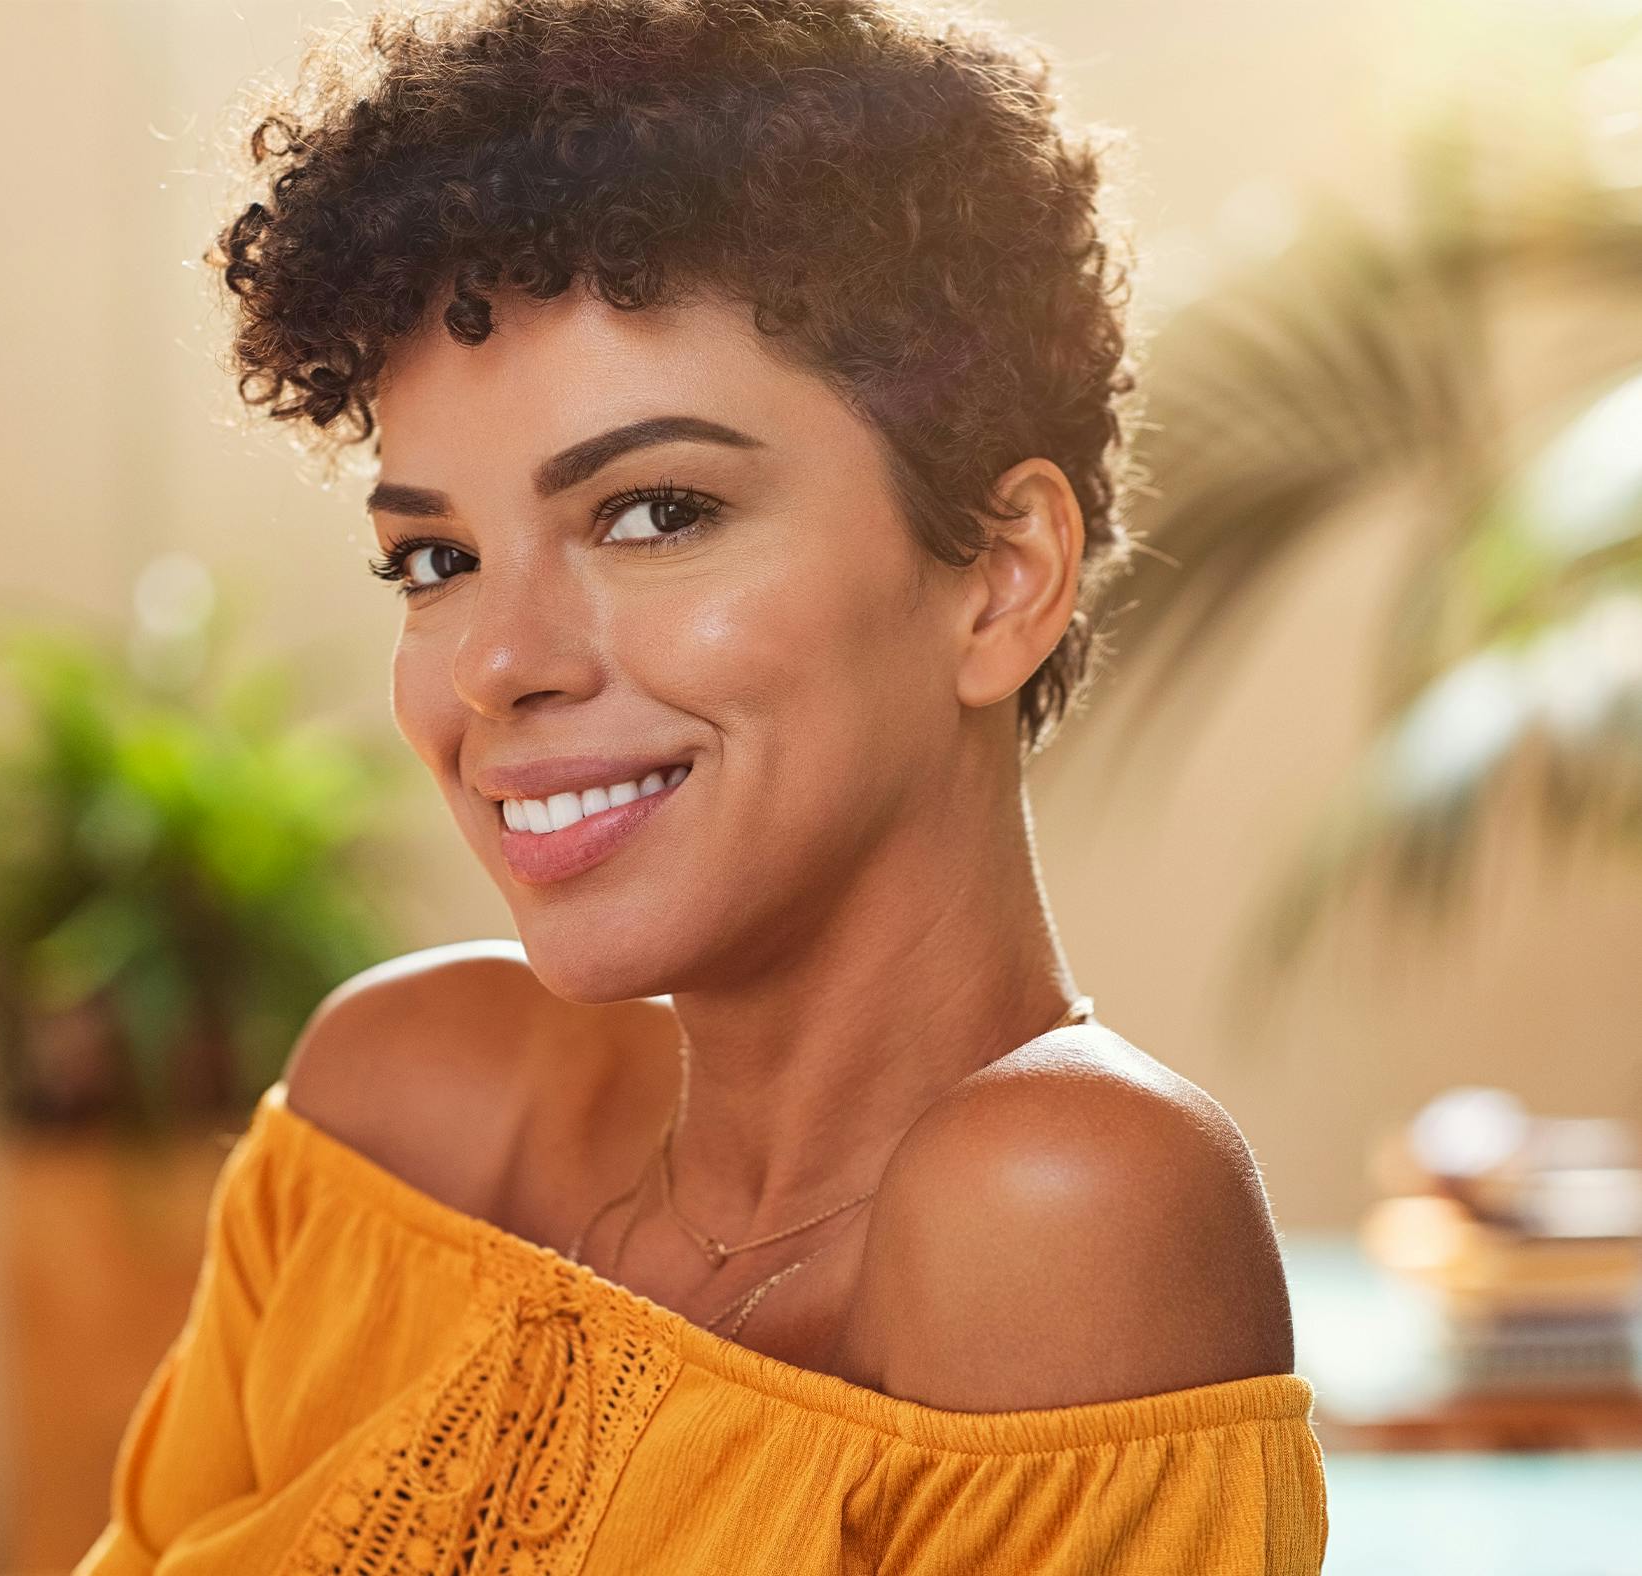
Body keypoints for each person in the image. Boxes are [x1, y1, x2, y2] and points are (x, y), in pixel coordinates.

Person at [75, 0, 1328, 1570]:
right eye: (436, 559)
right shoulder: (392, 1116)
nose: (494, 664)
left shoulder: (1060, 1202)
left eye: (654, 512)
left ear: (1003, 579)